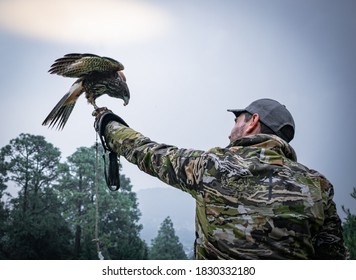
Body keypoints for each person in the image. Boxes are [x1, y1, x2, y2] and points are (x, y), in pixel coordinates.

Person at [93, 98, 346, 259]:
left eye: (236, 120)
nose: (230, 130)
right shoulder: (318, 185)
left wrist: (107, 124)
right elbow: (335, 261)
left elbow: (147, 152)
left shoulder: (213, 166)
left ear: (252, 122)